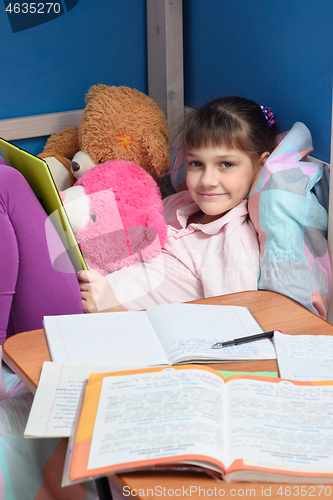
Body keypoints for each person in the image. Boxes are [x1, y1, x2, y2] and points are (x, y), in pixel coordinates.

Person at [78, 96, 278, 313]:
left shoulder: (232, 240)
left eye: (226, 164)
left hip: (118, 326)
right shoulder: (178, 203)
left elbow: (229, 325)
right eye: (196, 164)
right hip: (84, 291)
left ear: (260, 166)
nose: (207, 180)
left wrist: (114, 310)